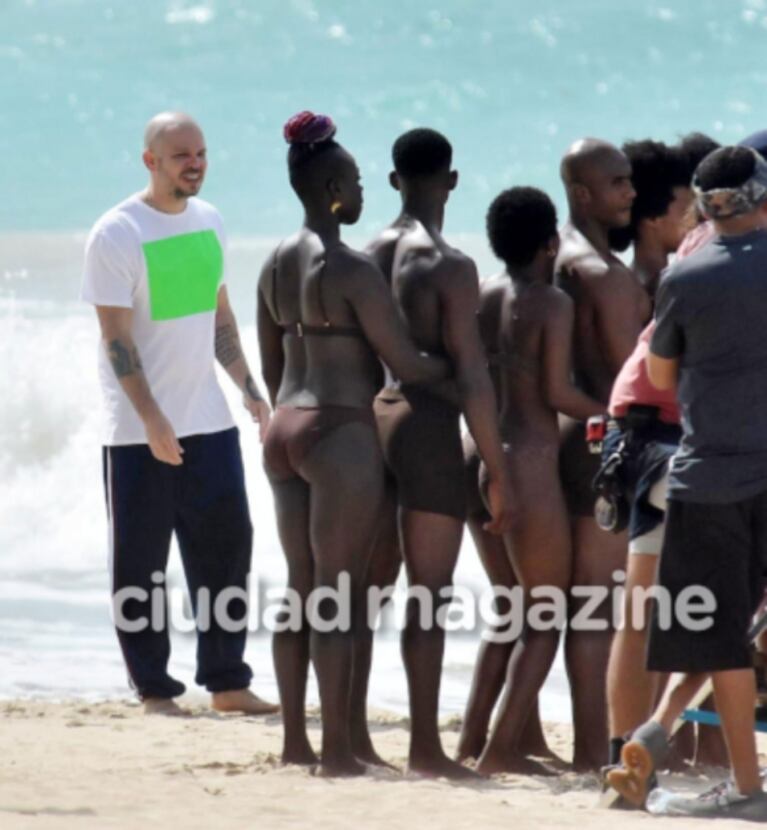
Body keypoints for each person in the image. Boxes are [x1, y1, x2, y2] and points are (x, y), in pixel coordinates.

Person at [256, 112, 449, 776]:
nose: (363, 193)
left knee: (299, 587)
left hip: (283, 427)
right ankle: (337, 751)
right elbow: (403, 361)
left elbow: (269, 362)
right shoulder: (352, 268)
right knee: (337, 592)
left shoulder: (274, 262)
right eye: (358, 182)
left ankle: (294, 743)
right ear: (335, 186)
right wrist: (465, 367)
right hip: (339, 431)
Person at [81, 112, 277, 717]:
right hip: (138, 434)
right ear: (150, 161)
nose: (194, 163)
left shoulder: (210, 221)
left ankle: (227, 683)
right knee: (140, 566)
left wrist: (248, 385)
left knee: (227, 552)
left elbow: (218, 317)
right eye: (180, 155)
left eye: (201, 153)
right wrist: (152, 419)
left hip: (210, 424)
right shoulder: (116, 233)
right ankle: (155, 690)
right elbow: (118, 341)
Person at [606, 145, 767, 819]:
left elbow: (663, 376)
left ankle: (744, 784)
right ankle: (666, 729)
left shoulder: (686, 276)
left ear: (702, 206)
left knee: (716, 633)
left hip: (709, 476)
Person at [369, 128, 515, 778]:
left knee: (359, 593)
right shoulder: (451, 266)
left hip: (370, 424)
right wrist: (497, 469)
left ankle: (347, 735)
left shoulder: (362, 254)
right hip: (427, 432)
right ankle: (425, 748)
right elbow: (473, 377)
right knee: (426, 594)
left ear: (394, 179)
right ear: (451, 181)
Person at [456, 188, 605, 775]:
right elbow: (555, 394)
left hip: (475, 450)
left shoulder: (483, 293)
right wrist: (616, 409)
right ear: (550, 244)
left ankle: (472, 741)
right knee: (547, 614)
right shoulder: (551, 302)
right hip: (525, 458)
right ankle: (498, 753)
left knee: (513, 609)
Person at [555, 138, 651, 769]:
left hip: (563, 438)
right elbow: (633, 378)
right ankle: (597, 748)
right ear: (583, 193)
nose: (631, 193)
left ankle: (589, 742)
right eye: (618, 184)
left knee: (579, 606)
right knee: (599, 604)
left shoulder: (559, 257)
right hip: (601, 444)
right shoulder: (601, 274)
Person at [601, 139, 695, 767]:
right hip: (669, 441)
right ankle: (651, 748)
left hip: (635, 436)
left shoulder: (692, 254)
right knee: (695, 611)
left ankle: (625, 756)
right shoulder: (729, 256)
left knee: (643, 612)